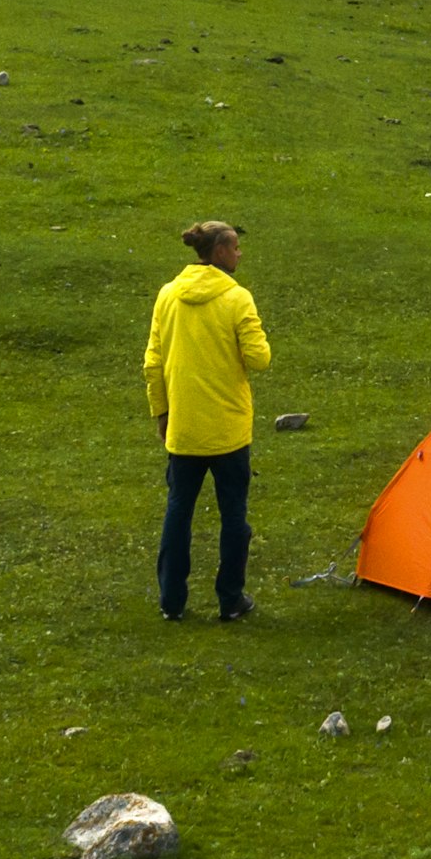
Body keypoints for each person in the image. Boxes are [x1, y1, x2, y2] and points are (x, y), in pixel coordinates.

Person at [143, 218, 272, 620]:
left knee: (178, 512)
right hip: (229, 430)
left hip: (184, 427)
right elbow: (259, 358)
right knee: (234, 516)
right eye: (234, 248)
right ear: (219, 252)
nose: (239, 254)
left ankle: (171, 600)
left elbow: (153, 363)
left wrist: (162, 412)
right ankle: (230, 598)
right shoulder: (237, 299)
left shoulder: (167, 296)